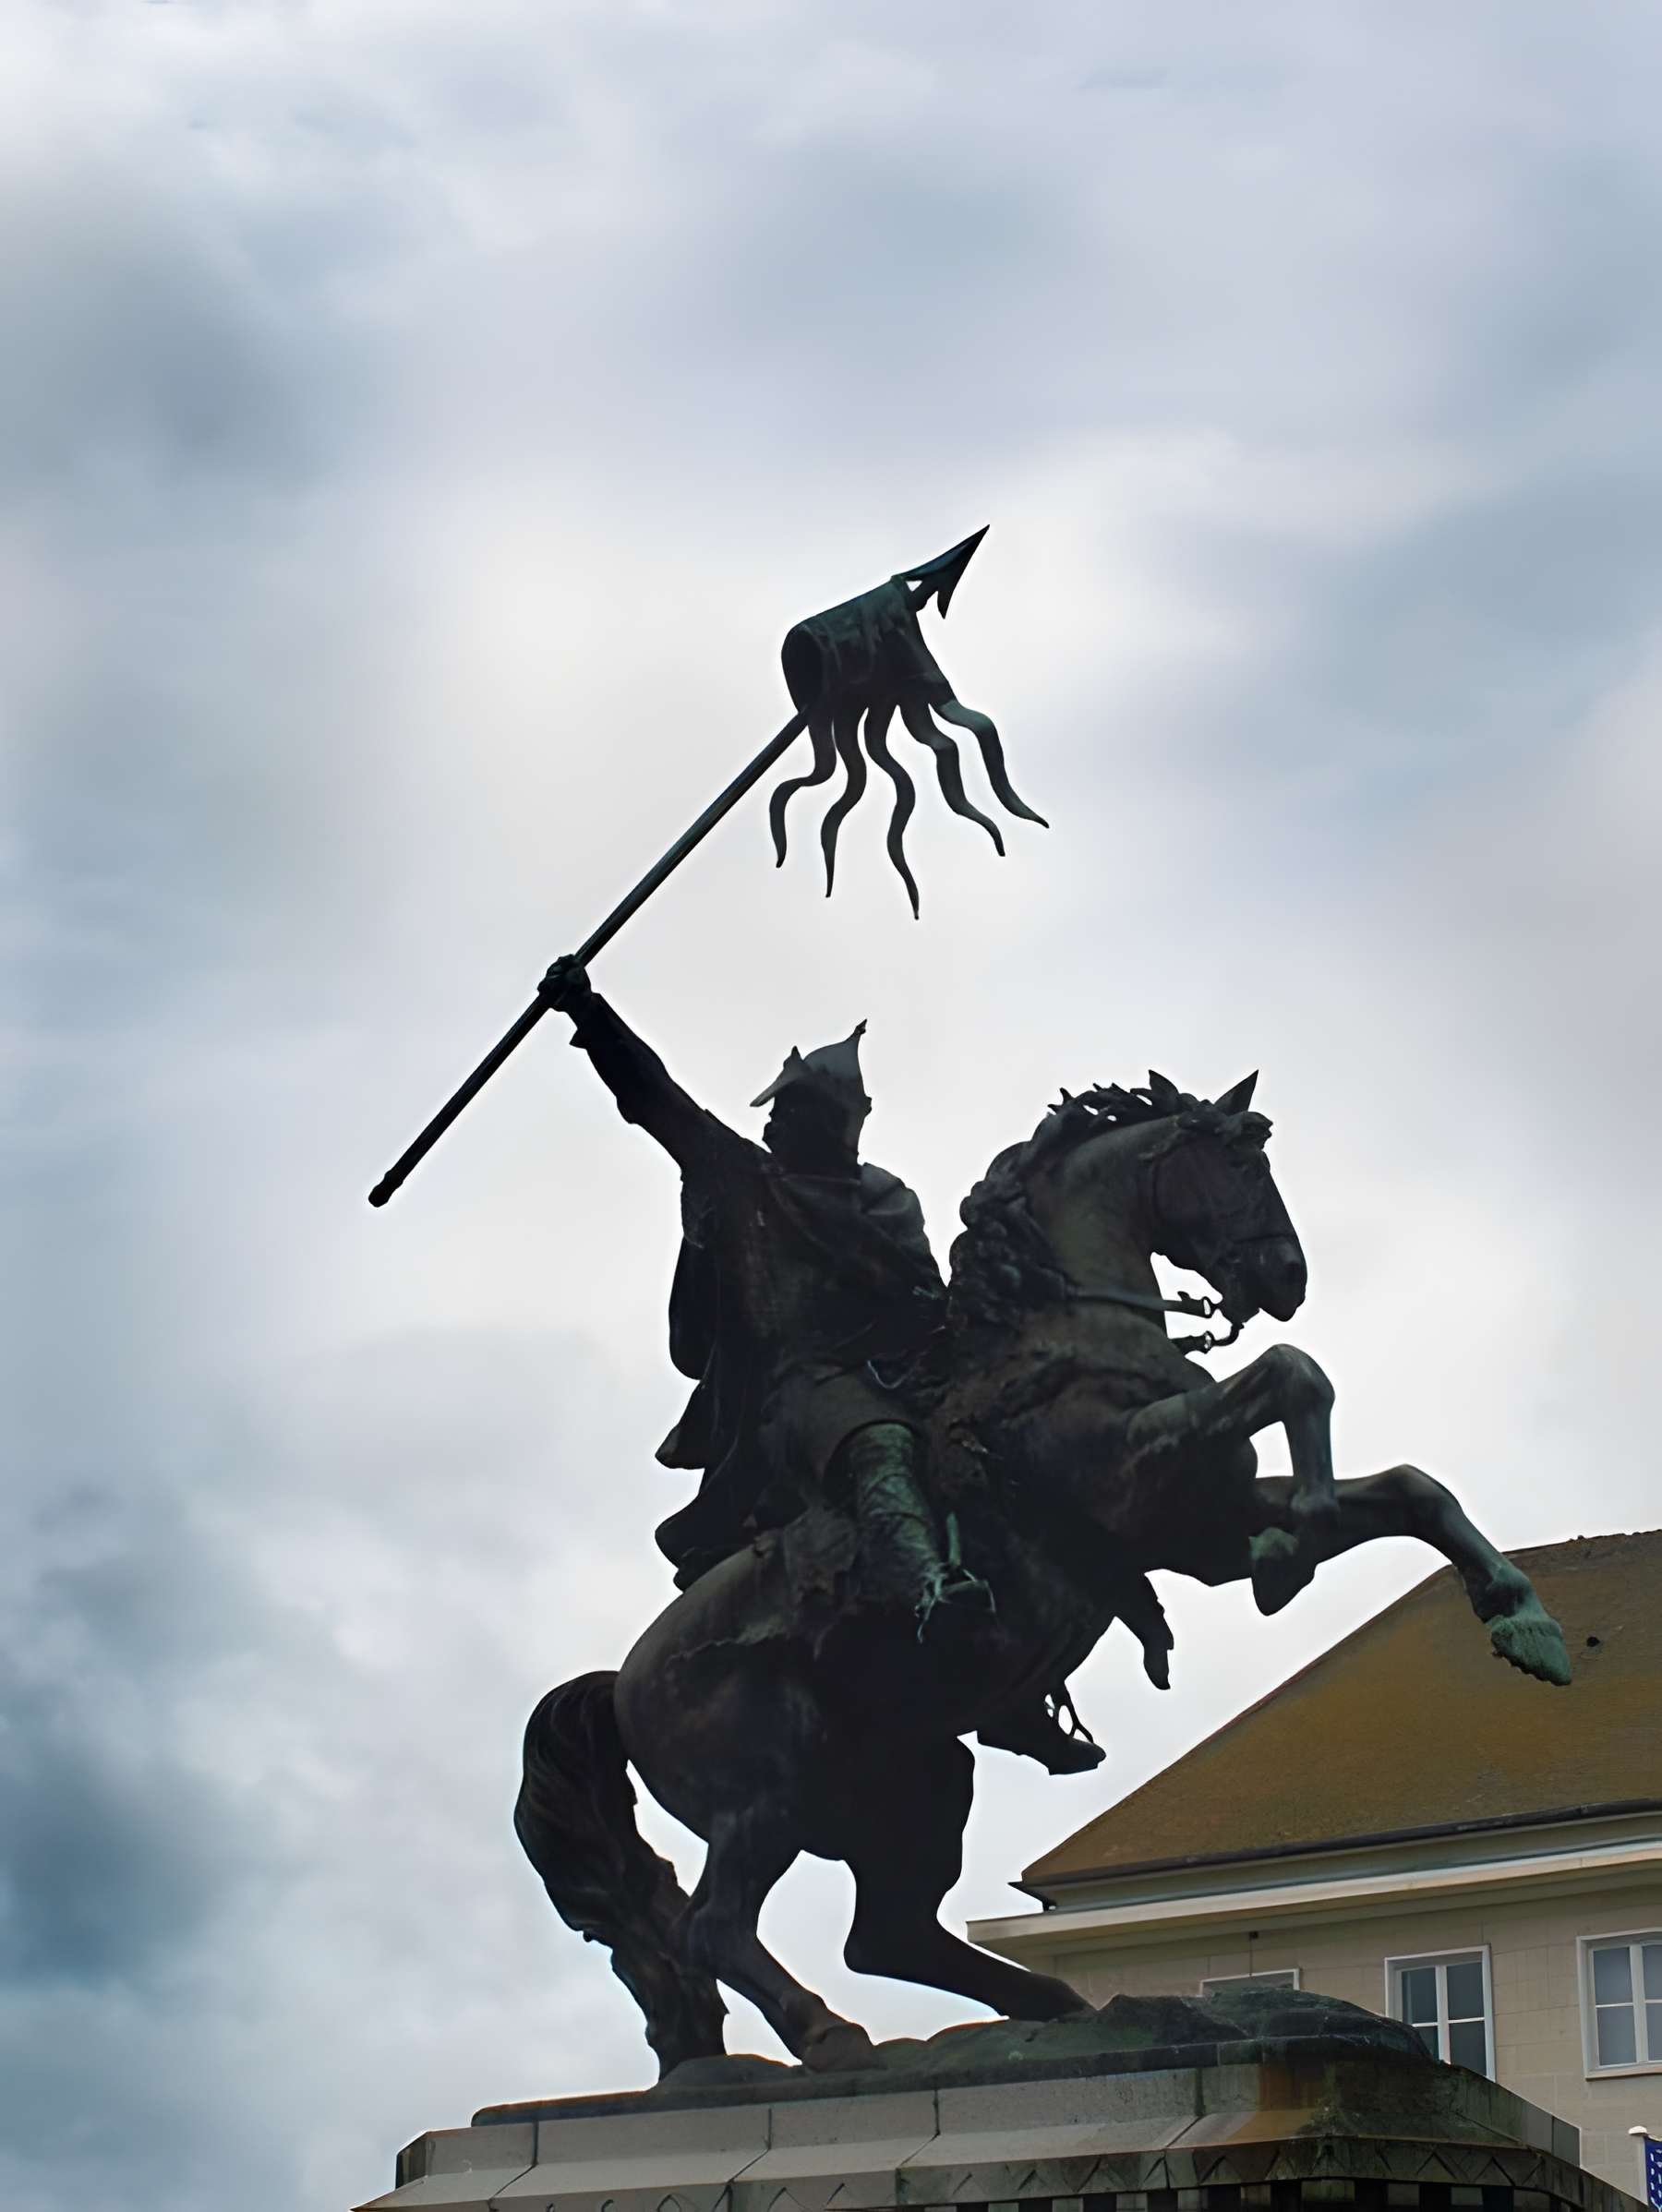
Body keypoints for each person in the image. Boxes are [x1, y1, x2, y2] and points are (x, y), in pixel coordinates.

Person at [538, 956, 1106, 1774]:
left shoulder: (887, 1201)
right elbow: (656, 1102)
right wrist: (588, 1016)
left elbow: (926, 1301)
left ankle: (1018, 1690)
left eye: (792, 1111)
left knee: (1006, 1458)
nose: (772, 1126)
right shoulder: (744, 1182)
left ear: (838, 1120)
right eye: (775, 1114)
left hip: (893, 1378)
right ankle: (930, 1595)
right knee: (879, 1445)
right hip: (797, 1396)